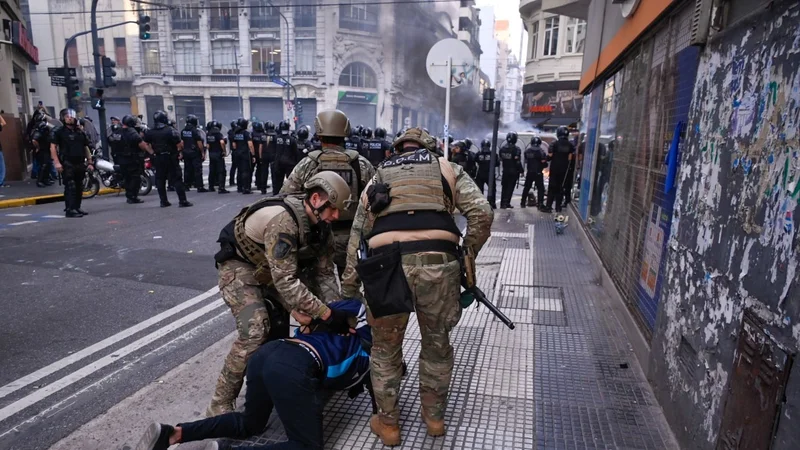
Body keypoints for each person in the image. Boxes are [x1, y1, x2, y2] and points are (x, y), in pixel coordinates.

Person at [341, 127, 493, 446]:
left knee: (384, 349)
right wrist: (467, 253)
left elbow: (358, 234)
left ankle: (389, 426)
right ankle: (434, 419)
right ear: (430, 147)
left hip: (386, 269)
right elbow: (482, 213)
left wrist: (350, 289)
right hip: (439, 266)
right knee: (437, 346)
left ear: (398, 149)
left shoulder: (381, 172)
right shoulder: (447, 168)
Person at [207, 171, 354, 416]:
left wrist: (335, 313)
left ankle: (298, 378)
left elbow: (326, 275)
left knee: (314, 316)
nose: (337, 216)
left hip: (274, 269)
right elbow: (286, 281)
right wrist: (326, 313)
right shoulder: (284, 222)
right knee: (256, 331)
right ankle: (220, 402)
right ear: (316, 199)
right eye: (333, 209)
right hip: (241, 267)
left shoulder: (322, 226)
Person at [137, 300, 372, 450]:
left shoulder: (322, 328)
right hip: (293, 365)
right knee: (306, 445)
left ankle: (174, 434)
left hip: (268, 352)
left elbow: (350, 306)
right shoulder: (364, 352)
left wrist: (336, 321)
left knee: (251, 422)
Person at [280, 109, 376, 277]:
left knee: (318, 283)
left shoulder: (309, 163)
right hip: (351, 237)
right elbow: (375, 198)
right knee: (352, 285)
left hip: (316, 236)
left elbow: (286, 197)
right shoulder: (360, 163)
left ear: (319, 133)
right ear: (345, 133)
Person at [50, 109, 94, 217]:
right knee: (70, 186)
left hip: (79, 162)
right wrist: (57, 163)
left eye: (71, 116)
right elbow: (53, 147)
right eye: (67, 117)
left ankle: (77, 207)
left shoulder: (80, 132)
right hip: (67, 162)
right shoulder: (59, 131)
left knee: (79, 186)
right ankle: (70, 209)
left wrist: (90, 162)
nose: (69, 118)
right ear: (63, 118)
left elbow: (85, 147)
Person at [143, 110, 192, 208]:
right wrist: (178, 152)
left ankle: (163, 201)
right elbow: (179, 144)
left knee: (160, 179)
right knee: (177, 179)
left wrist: (152, 152)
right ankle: (182, 201)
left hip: (158, 157)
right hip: (170, 157)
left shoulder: (150, 131)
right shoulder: (170, 130)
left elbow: (145, 144)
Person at [114, 115, 151, 204]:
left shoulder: (117, 131)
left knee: (127, 178)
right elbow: (141, 144)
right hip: (132, 159)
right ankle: (133, 196)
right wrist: (150, 151)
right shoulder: (132, 132)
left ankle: (129, 196)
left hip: (121, 159)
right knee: (135, 178)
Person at [545, 126, 576, 213]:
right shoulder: (570, 145)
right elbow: (570, 158)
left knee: (552, 188)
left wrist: (544, 159)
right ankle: (558, 207)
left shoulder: (554, 144)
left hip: (555, 169)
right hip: (565, 170)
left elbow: (550, 156)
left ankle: (548, 207)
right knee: (560, 188)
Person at [272, 120, 299, 194]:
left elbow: (272, 150)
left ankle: (276, 195)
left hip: (278, 163)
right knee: (290, 181)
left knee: (277, 182)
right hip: (289, 163)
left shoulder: (275, 138)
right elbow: (296, 152)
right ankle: (289, 194)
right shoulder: (292, 139)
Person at [181, 115, 206, 192]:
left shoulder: (183, 131)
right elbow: (199, 143)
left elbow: (182, 143)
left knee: (187, 169)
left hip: (186, 152)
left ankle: (186, 185)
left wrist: (182, 152)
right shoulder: (195, 131)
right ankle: (199, 186)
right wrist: (202, 152)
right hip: (195, 153)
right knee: (197, 170)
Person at [521, 136, 547, 208]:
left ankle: (523, 202)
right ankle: (540, 203)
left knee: (526, 188)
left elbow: (526, 160)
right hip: (538, 172)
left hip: (530, 172)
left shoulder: (527, 151)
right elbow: (544, 163)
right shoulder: (541, 152)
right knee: (540, 189)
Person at [498, 131, 523, 209]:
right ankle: (507, 203)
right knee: (510, 188)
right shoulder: (516, 149)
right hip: (513, 171)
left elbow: (501, 158)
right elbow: (517, 162)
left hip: (505, 170)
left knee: (504, 187)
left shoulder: (502, 149)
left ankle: (502, 203)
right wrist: (521, 170)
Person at [206, 121, 230, 194]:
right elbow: (222, 142)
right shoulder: (218, 134)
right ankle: (221, 188)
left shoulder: (208, 134)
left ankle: (211, 187)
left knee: (212, 170)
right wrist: (224, 151)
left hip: (211, 154)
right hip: (218, 154)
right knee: (221, 171)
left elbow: (208, 145)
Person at [232, 118, 255, 195]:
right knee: (246, 171)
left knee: (239, 171)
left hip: (237, 154)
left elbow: (234, 145)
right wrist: (253, 155)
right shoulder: (246, 133)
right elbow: (250, 145)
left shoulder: (235, 133)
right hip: (245, 154)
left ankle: (239, 187)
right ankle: (246, 188)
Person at [32, 121, 54, 188]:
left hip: (46, 150)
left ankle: (46, 179)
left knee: (48, 165)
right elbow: (34, 140)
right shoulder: (38, 133)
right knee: (43, 166)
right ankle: (40, 181)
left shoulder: (46, 133)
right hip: (42, 151)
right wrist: (38, 147)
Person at [251, 121, 269, 194]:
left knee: (250, 170)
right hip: (261, 155)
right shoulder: (263, 135)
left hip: (253, 154)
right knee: (261, 170)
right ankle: (259, 184)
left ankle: (247, 186)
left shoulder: (252, 135)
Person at [228, 120, 238, 188]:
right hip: (236, 151)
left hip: (234, 151)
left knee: (233, 167)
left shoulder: (230, 132)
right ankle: (233, 181)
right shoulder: (234, 133)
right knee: (237, 167)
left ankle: (231, 181)